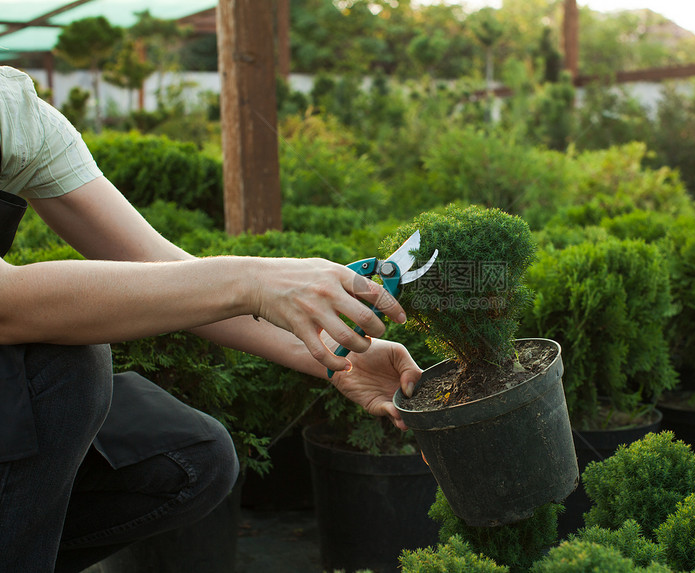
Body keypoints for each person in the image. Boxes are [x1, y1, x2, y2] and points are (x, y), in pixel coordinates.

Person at [0, 65, 421, 572]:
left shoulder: (17, 114)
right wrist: (252, 281)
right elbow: (8, 306)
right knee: (66, 371)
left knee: (191, 456)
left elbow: (157, 266)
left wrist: (335, 356)